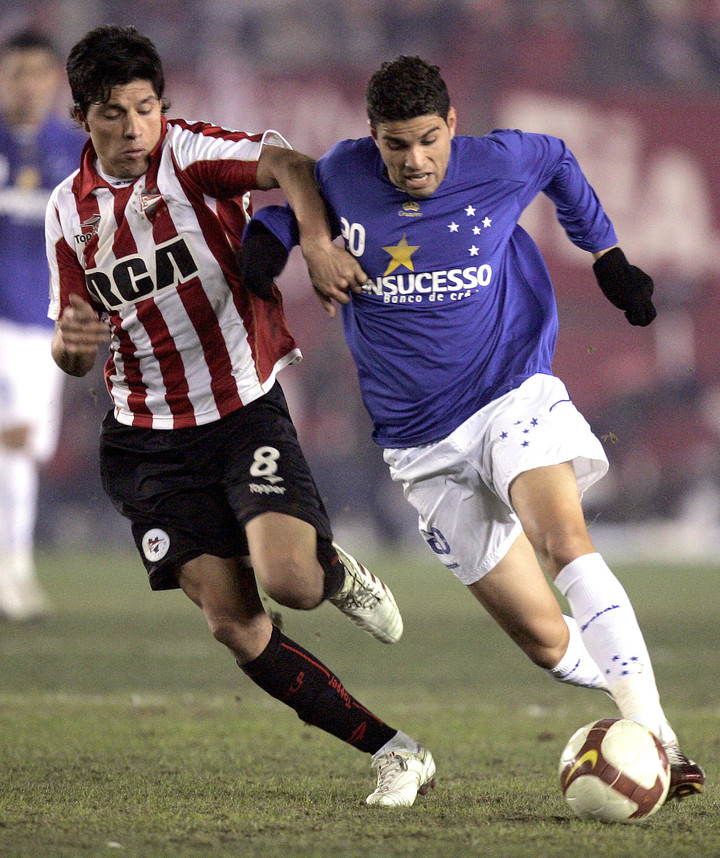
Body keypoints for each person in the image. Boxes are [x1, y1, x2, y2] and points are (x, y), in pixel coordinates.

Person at [241, 55, 705, 802]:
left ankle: (656, 734)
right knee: (548, 643)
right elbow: (282, 209)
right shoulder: (343, 174)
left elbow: (558, 158)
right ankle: (624, 692)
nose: (415, 161)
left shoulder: (498, 162)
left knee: (564, 539)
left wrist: (608, 254)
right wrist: (277, 247)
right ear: (373, 137)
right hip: (420, 442)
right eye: (396, 144)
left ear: (453, 125)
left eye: (429, 139)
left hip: (510, 391)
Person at [46, 26, 436, 808]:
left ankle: (332, 572)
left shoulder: (189, 156)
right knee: (233, 623)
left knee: (291, 583)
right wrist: (71, 346)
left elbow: (291, 164)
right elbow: (76, 349)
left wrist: (317, 244)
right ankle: (397, 751)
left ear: (164, 107)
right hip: (145, 442)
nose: (132, 130)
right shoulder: (67, 212)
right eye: (111, 115)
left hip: (240, 413)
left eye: (145, 109)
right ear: (81, 118)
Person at [0, 31, 85, 621]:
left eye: (35, 72)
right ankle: (14, 573)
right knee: (11, 442)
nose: (25, 83)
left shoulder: (73, 151)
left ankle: (16, 567)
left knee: (26, 449)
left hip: (43, 325)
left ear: (53, 79)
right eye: (14, 72)